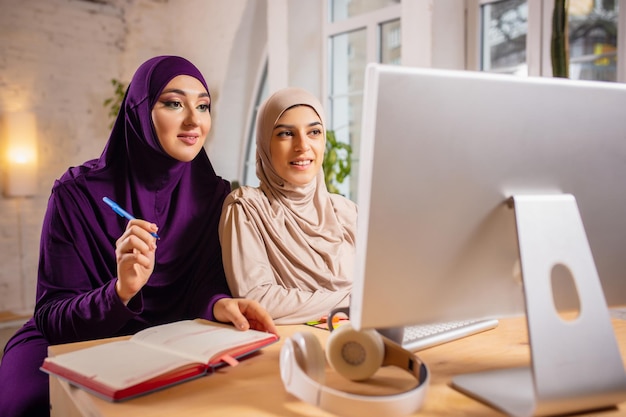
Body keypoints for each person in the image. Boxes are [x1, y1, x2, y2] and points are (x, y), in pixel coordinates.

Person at [0, 55, 277, 417]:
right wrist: (120, 291)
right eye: (174, 103)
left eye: (204, 106)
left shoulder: (214, 196)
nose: (194, 120)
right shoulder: (76, 194)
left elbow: (202, 286)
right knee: (30, 405)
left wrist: (218, 304)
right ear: (140, 111)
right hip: (74, 339)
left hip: (171, 344)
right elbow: (53, 316)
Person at [219, 87, 357, 325]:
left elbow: (383, 285)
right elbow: (258, 299)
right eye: (285, 134)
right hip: (287, 350)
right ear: (265, 143)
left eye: (314, 131)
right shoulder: (246, 208)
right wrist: (353, 301)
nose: (302, 145)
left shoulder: (346, 211)